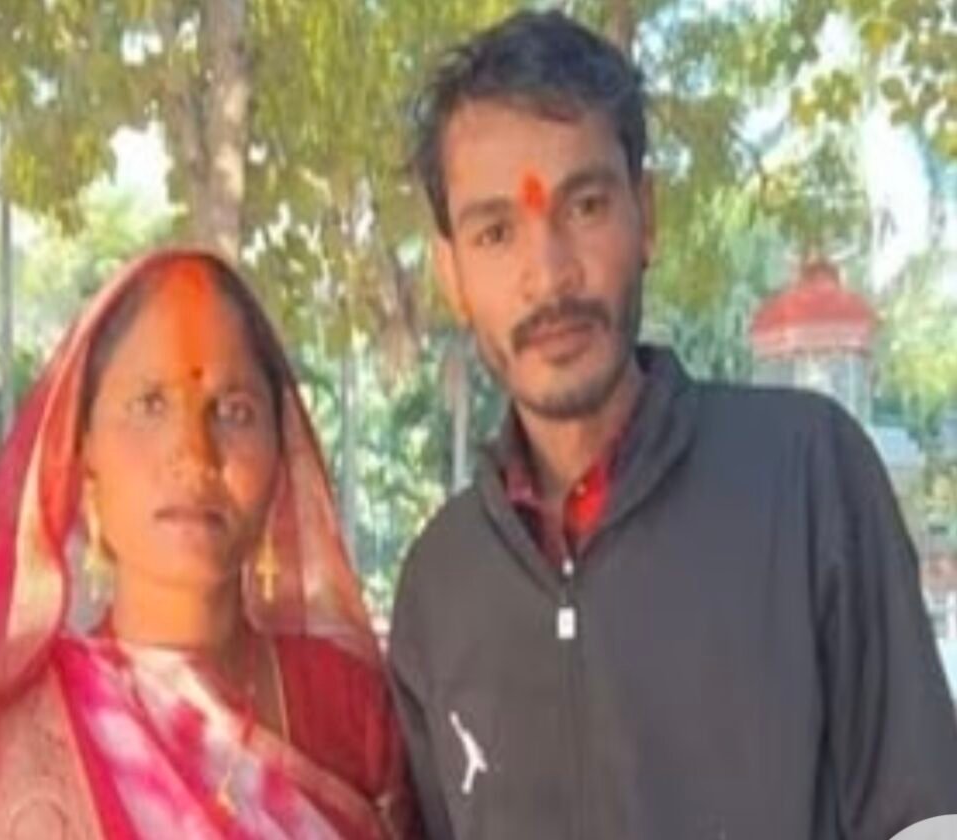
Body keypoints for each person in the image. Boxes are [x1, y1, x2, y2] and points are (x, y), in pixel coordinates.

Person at [388, 10, 957, 840]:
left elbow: (926, 818)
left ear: (645, 216)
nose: (549, 275)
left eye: (585, 205)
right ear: (452, 275)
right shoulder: (440, 587)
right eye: (496, 231)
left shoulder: (807, 479)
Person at [0, 248, 420, 839]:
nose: (194, 453)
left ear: (280, 456)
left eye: (234, 412)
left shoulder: (353, 713)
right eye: (150, 405)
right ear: (81, 452)